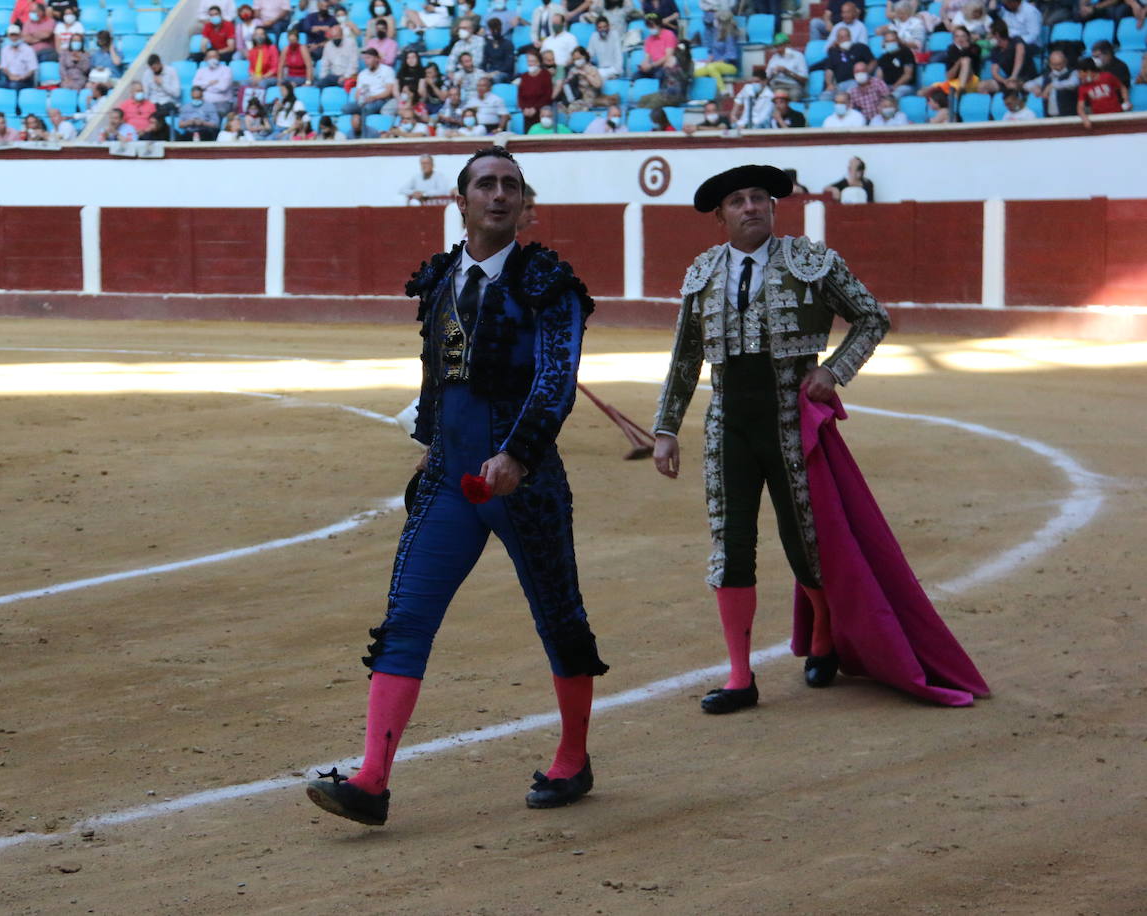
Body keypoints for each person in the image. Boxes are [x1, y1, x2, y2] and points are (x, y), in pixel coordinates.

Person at [306, 146, 608, 827]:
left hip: (522, 484)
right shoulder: (441, 279)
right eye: (485, 184)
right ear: (461, 201)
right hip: (449, 479)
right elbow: (435, 376)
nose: (497, 195)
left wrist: (519, 456)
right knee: (406, 617)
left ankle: (573, 757)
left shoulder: (550, 284)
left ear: (524, 203)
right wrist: (428, 449)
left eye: (510, 185)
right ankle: (372, 780)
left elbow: (555, 382)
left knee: (559, 617)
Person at [653, 163, 987, 715]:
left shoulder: (811, 262)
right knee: (730, 546)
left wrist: (833, 371)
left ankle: (825, 636)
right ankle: (740, 676)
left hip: (791, 418)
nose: (751, 207)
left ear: (773, 206)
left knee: (805, 540)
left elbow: (871, 318)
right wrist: (666, 429)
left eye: (759, 197)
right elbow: (686, 359)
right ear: (721, 216)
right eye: (738, 201)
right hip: (727, 423)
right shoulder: (702, 273)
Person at [978, 19, 1035, 94]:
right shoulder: (995, 51)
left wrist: (1014, 76)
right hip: (1008, 79)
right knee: (982, 85)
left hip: (1025, 77)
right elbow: (994, 72)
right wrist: (1004, 81)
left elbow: (1019, 58)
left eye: (991, 34)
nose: (990, 37)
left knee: (1012, 86)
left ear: (997, 35)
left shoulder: (1016, 41)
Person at [1076, 56, 1129, 129]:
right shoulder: (1082, 87)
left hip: (1117, 115)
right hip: (1099, 119)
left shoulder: (1107, 76)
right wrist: (1084, 118)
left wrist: (1126, 101)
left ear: (1088, 71)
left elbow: (1122, 88)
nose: (1079, 76)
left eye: (1080, 73)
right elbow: (1080, 107)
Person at [696, 9, 739, 94]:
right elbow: (713, 52)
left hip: (729, 66)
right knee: (695, 73)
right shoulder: (716, 33)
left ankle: (723, 90)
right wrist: (708, 59)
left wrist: (717, 61)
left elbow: (731, 55)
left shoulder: (730, 34)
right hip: (715, 63)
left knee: (712, 67)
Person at [1025, 48, 1077, 117]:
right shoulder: (1046, 77)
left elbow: (1073, 83)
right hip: (1050, 116)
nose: (1057, 67)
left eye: (1059, 64)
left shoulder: (1073, 73)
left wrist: (1052, 85)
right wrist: (1034, 88)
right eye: (1054, 65)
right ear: (1050, 64)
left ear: (1065, 62)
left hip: (1069, 116)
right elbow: (1026, 84)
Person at [342, 46, 395, 115]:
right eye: (365, 58)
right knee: (346, 108)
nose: (366, 61)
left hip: (380, 99)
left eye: (368, 58)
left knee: (368, 108)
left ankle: (362, 123)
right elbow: (357, 93)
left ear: (376, 59)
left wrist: (374, 97)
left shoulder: (387, 70)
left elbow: (388, 92)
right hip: (365, 100)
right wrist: (361, 99)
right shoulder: (362, 74)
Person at [874, 25, 916, 98]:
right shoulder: (883, 57)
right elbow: (879, 77)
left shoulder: (906, 52)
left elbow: (908, 75)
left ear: (898, 41)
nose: (890, 43)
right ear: (884, 43)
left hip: (904, 86)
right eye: (887, 41)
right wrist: (883, 89)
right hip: (887, 87)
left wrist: (894, 87)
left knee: (893, 96)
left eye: (892, 41)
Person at [764, 31, 807, 101]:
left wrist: (787, 72)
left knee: (794, 95)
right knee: (765, 95)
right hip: (776, 85)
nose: (778, 48)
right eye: (776, 46)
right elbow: (766, 80)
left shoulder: (798, 56)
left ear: (788, 45)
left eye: (781, 45)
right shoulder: (774, 58)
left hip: (793, 86)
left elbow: (804, 79)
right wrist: (772, 74)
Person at [193, 46, 234, 111]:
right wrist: (209, 83)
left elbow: (223, 88)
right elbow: (195, 85)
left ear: (218, 57)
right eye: (210, 57)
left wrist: (204, 88)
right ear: (206, 59)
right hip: (204, 103)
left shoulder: (226, 70)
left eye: (214, 56)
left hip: (222, 103)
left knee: (217, 113)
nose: (212, 59)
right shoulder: (200, 71)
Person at [0, 23, 37, 88]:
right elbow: (4, 67)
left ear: (20, 35)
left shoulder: (28, 49)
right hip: (10, 79)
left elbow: (32, 69)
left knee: (14, 85)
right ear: (8, 36)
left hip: (25, 80)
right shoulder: (5, 50)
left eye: (16, 35)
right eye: (11, 35)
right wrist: (11, 76)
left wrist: (21, 77)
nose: (14, 37)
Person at [318, 22, 357, 86]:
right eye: (333, 37)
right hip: (334, 76)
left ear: (342, 35)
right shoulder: (328, 45)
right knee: (319, 84)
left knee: (346, 83)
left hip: (348, 76)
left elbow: (353, 64)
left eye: (337, 37)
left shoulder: (351, 43)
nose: (335, 39)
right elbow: (325, 64)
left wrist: (345, 77)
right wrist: (323, 78)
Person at [481, 16, 513, 82]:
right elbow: (484, 62)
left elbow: (508, 65)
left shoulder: (507, 44)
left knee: (495, 78)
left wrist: (496, 72)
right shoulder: (488, 45)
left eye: (496, 29)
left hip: (504, 73)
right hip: (490, 71)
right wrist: (483, 72)